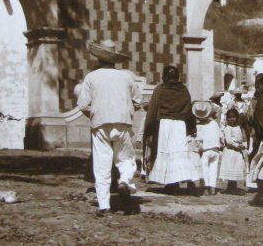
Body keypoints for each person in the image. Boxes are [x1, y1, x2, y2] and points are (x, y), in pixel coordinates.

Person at [77, 39, 143, 216]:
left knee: (102, 164)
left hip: (100, 123)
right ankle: (125, 180)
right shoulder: (126, 77)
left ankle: (104, 205)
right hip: (122, 122)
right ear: (115, 60)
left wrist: (95, 112)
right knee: (126, 158)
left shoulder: (91, 77)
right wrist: (127, 109)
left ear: (99, 59)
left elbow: (83, 104)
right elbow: (138, 101)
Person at [143, 65, 200, 195]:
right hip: (180, 125)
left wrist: (149, 128)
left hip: (165, 125)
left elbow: (152, 110)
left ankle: (171, 184)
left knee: (167, 152)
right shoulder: (184, 90)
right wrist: (191, 128)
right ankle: (175, 183)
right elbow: (189, 112)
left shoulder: (160, 90)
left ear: (165, 77)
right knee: (178, 153)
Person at [194, 101, 223, 195]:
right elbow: (220, 136)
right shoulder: (214, 123)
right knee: (214, 170)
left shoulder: (198, 126)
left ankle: (206, 188)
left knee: (204, 169)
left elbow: (199, 140)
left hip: (205, 151)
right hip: (215, 149)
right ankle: (213, 188)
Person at [220, 108, 248, 194]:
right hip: (230, 151)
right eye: (230, 117)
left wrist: (242, 145)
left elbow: (241, 138)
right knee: (231, 168)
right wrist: (237, 146)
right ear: (227, 118)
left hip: (237, 152)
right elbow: (228, 141)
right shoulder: (227, 128)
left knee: (235, 168)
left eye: (234, 117)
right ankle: (231, 188)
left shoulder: (238, 127)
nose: (232, 119)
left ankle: (232, 187)